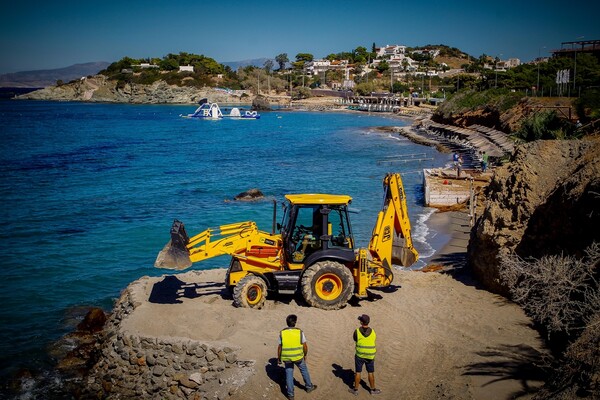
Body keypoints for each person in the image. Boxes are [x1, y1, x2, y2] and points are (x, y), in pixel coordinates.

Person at [278, 314, 317, 399]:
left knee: (289, 374)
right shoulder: (299, 332)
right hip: (298, 357)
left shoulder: (282, 333)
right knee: (304, 370)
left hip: (287, 358)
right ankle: (309, 387)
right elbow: (305, 346)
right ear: (295, 322)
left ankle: (290, 395)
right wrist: (305, 354)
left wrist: (279, 358)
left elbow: (280, 347)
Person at [349, 314, 381, 396]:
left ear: (361, 322)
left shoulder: (357, 331)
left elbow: (355, 339)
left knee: (358, 372)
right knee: (370, 372)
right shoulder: (373, 331)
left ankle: (355, 390)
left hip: (359, 355)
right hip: (370, 355)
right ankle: (373, 389)